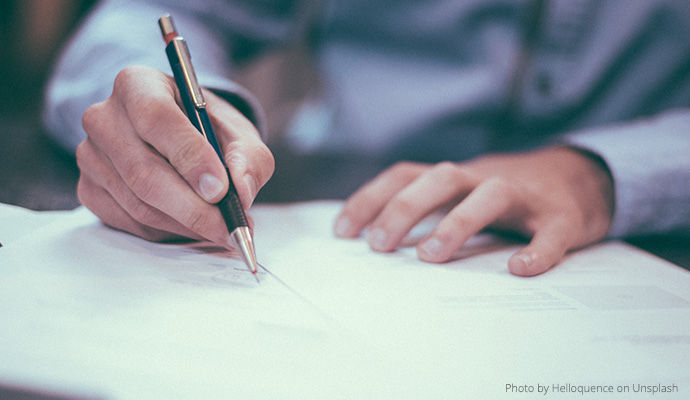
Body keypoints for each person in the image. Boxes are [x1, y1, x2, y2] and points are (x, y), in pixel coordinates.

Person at [43, 0, 690, 276]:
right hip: (339, 201)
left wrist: (604, 172)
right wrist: (166, 119)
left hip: (649, 229)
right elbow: (153, 13)